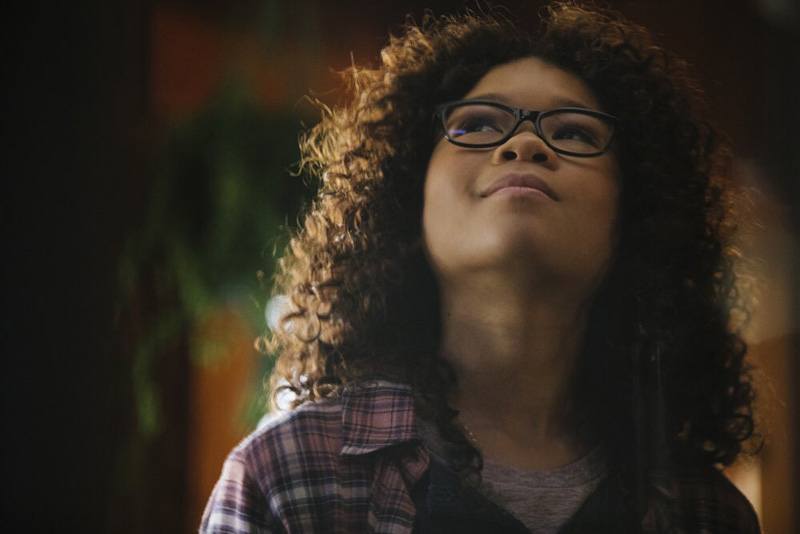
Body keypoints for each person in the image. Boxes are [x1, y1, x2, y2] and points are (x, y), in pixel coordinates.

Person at [200, 3, 760, 532]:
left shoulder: (708, 513)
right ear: (408, 198)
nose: (524, 144)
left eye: (574, 132)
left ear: (637, 213)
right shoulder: (282, 476)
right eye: (477, 125)